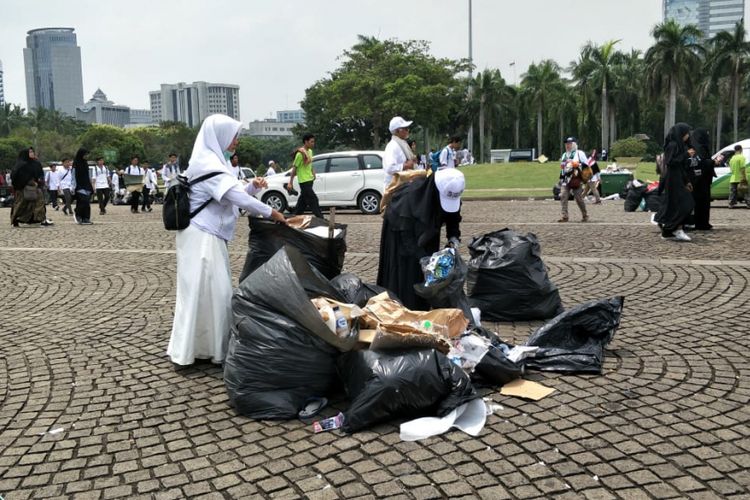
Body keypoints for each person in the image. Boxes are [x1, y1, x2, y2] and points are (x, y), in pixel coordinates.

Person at [167, 114, 286, 367]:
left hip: (204, 235)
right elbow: (235, 196)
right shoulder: (209, 163)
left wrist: (253, 187)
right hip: (201, 237)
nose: (236, 141)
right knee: (209, 291)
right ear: (219, 135)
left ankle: (203, 349)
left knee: (207, 292)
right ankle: (201, 350)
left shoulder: (210, 160)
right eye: (233, 136)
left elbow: (230, 195)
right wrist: (271, 212)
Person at [377, 168, 465, 311]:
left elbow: (452, 216)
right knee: (406, 273)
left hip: (427, 233)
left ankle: (422, 304)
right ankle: (403, 308)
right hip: (399, 233)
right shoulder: (409, 198)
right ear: (435, 190)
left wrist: (453, 238)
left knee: (427, 272)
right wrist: (423, 258)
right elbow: (406, 238)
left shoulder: (448, 192)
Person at [655, 123, 694, 241]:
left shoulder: (680, 145)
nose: (688, 135)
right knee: (686, 203)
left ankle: (672, 230)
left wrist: (686, 181)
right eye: (687, 133)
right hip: (673, 179)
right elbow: (671, 162)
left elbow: (681, 166)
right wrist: (686, 154)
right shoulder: (673, 145)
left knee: (678, 205)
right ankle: (674, 228)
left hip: (679, 178)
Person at [10, 148, 52, 227]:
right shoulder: (21, 164)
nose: (32, 153)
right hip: (22, 189)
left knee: (38, 204)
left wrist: (38, 180)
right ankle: (16, 219)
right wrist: (28, 182)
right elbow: (15, 177)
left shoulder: (35, 163)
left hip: (35, 188)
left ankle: (38, 219)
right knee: (21, 205)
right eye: (30, 152)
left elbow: (39, 173)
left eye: (32, 152)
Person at [689, 129, 721, 229]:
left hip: (702, 180)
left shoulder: (698, 147)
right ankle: (700, 223)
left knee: (703, 202)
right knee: (700, 202)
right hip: (699, 181)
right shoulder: (698, 149)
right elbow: (701, 163)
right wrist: (714, 162)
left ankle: (702, 222)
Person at [287, 133, 323, 218]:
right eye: (311, 142)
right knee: (313, 200)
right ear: (306, 142)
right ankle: (321, 219)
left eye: (313, 142)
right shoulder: (300, 154)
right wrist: (290, 183)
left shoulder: (310, 151)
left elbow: (309, 164)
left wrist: (313, 172)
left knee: (302, 203)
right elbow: (294, 169)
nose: (313, 144)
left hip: (309, 180)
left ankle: (294, 216)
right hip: (303, 181)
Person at [558, 137, 589, 222]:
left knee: (578, 198)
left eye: (569, 143)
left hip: (576, 179)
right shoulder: (564, 154)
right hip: (565, 180)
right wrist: (561, 178)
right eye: (566, 144)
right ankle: (565, 216)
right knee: (563, 196)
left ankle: (585, 214)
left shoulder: (580, 153)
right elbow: (562, 168)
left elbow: (586, 165)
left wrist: (577, 164)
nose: (567, 145)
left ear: (574, 144)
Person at [383, 116, 416, 187]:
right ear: (398, 131)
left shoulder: (401, 144)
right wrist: (405, 166)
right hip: (395, 189)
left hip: (403, 186)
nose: (408, 130)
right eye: (405, 129)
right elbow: (389, 168)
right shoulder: (392, 146)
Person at [72, 148, 94, 225]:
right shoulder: (76, 163)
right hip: (79, 185)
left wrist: (91, 185)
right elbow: (73, 175)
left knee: (87, 202)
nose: (87, 156)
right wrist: (73, 186)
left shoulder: (85, 163)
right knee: (82, 200)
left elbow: (88, 175)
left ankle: (86, 218)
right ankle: (77, 214)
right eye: (85, 154)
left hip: (87, 184)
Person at [728, 144, 749, 208]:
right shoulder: (741, 157)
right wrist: (744, 177)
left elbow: (731, 169)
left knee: (733, 192)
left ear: (735, 150)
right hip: (740, 177)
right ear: (741, 149)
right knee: (745, 191)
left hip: (733, 178)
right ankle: (749, 204)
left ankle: (731, 204)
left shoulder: (732, 158)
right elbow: (742, 168)